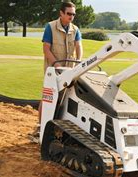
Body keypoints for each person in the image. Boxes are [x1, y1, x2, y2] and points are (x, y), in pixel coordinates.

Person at [34, 2, 83, 137]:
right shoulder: (50, 27)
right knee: (48, 97)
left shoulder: (75, 29)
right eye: (69, 14)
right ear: (61, 13)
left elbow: (79, 46)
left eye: (73, 14)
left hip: (70, 71)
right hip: (53, 70)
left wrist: (79, 61)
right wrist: (55, 64)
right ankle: (40, 127)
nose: (71, 16)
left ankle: (59, 128)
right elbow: (46, 49)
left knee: (65, 99)